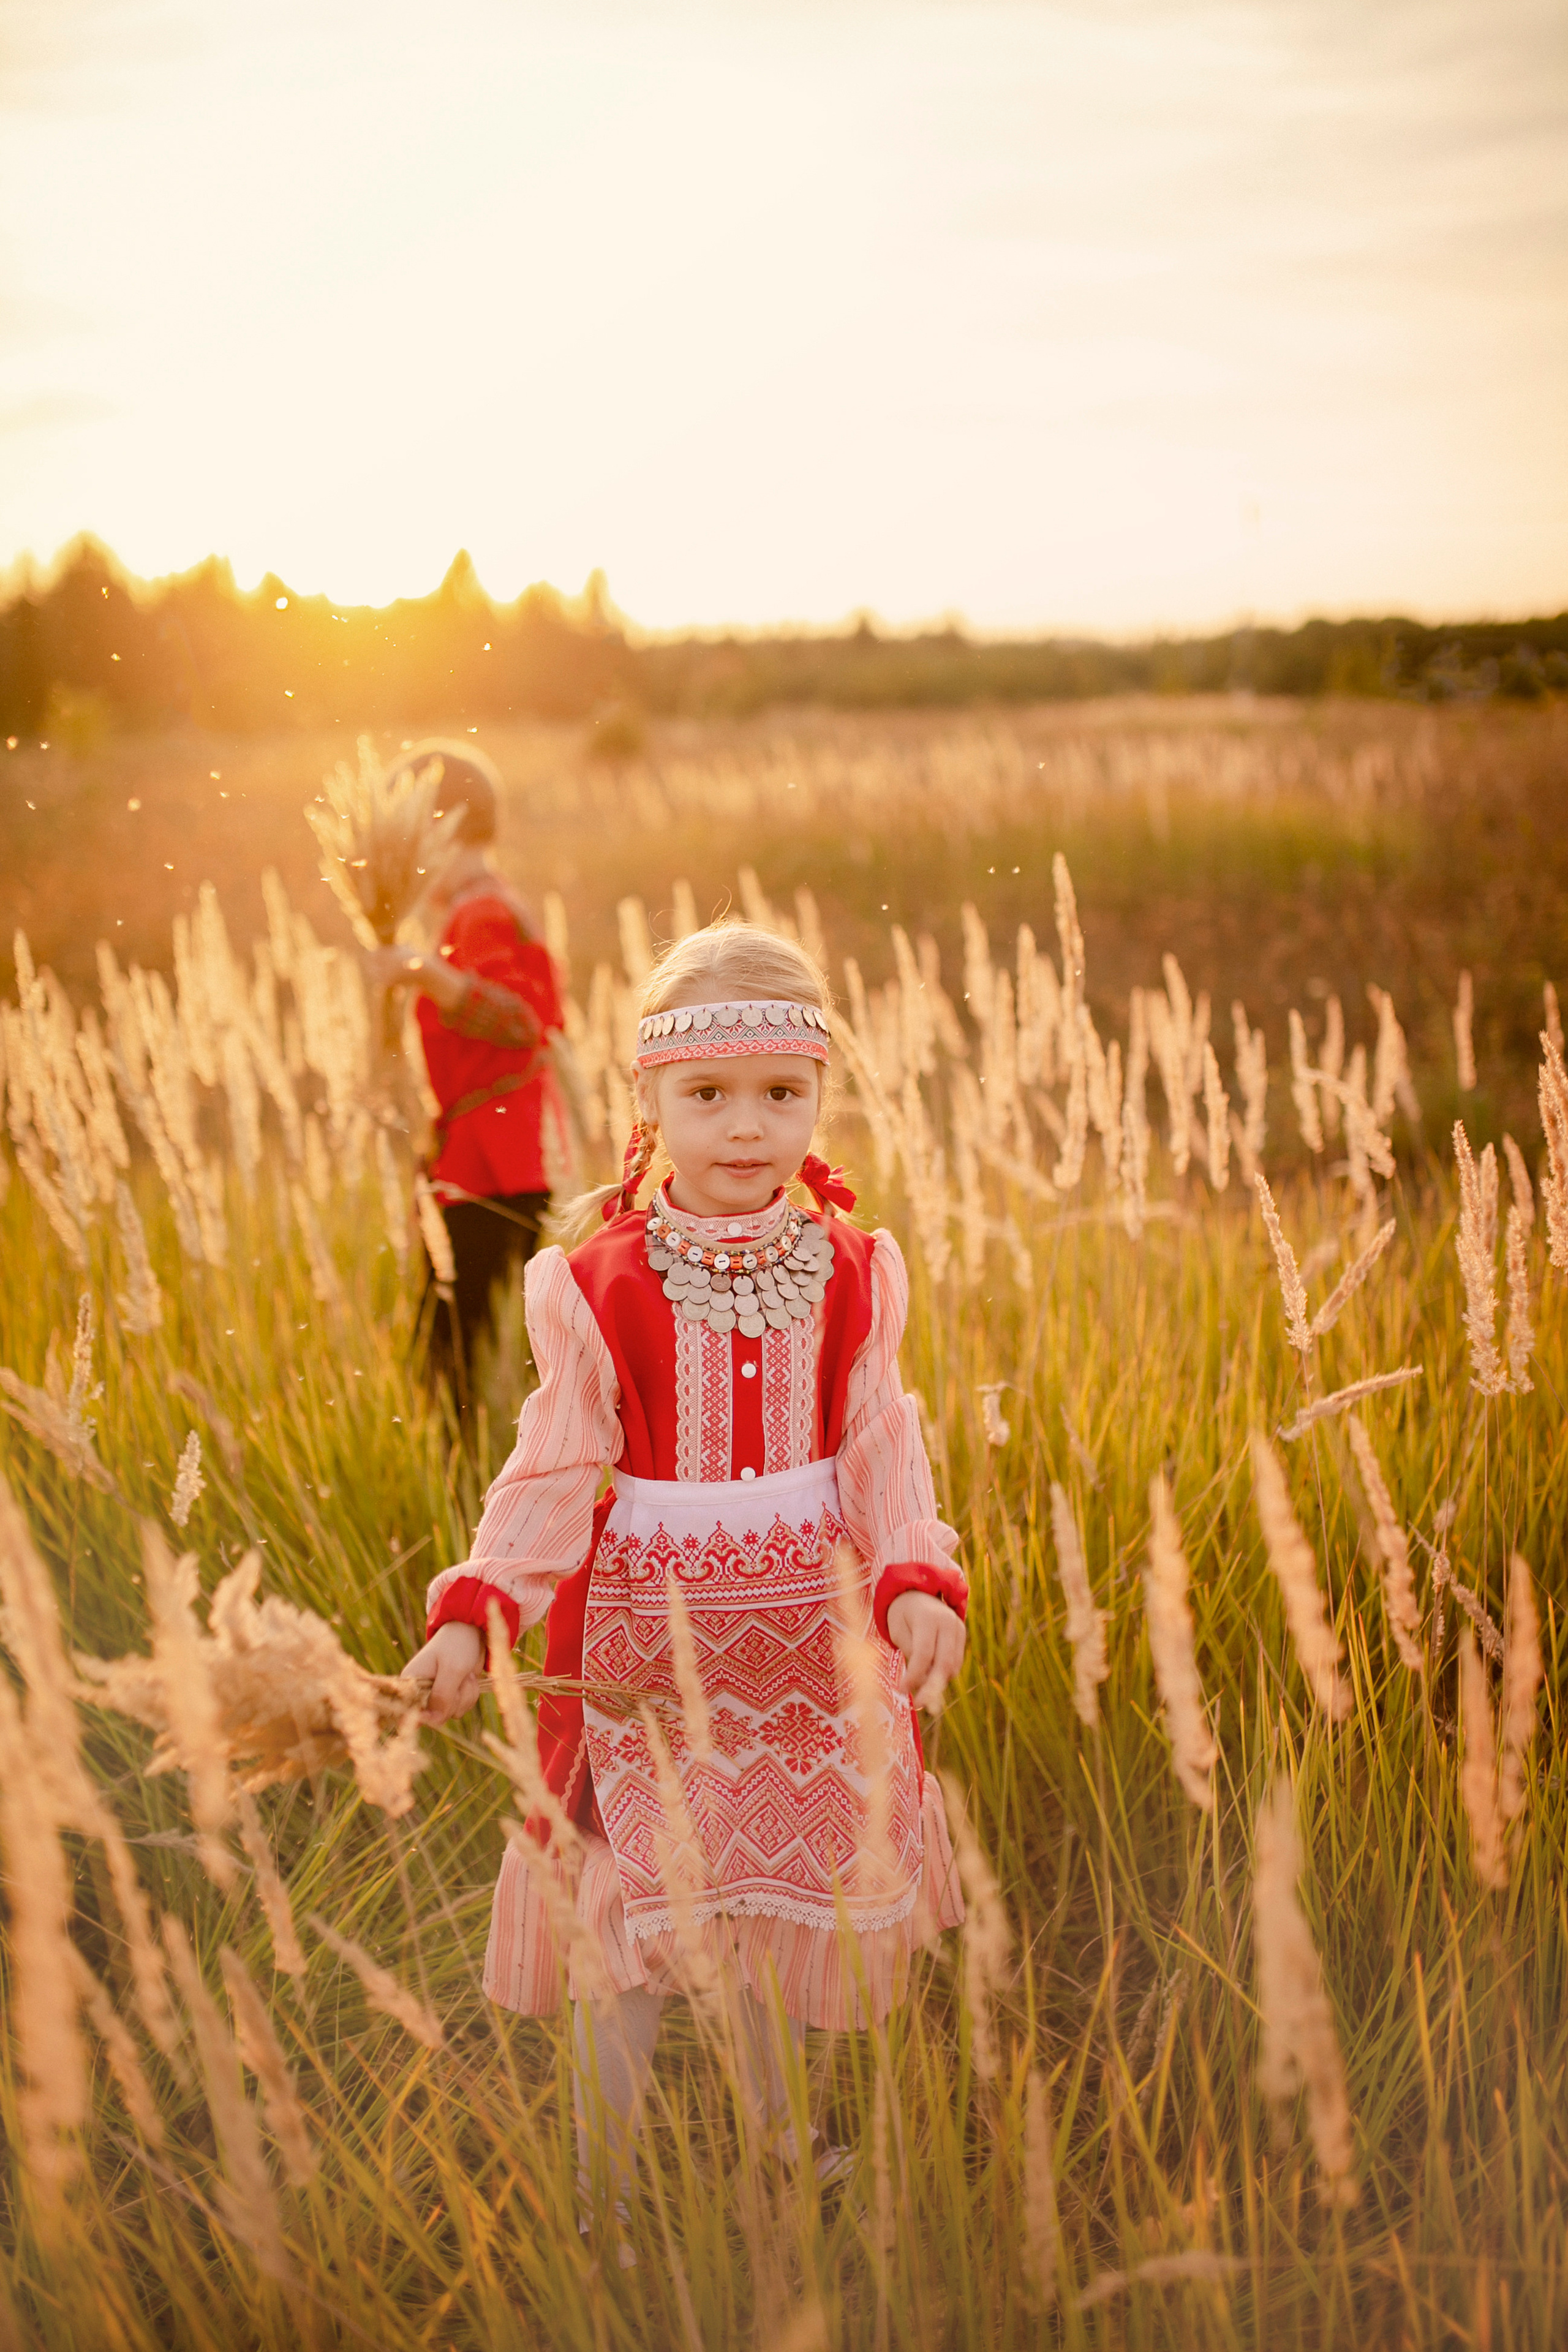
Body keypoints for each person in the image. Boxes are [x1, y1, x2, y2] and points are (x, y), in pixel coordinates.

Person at [401, 919, 968, 2251]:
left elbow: (880, 1442)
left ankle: (778, 2135)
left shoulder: (851, 1267)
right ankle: (599, 2195)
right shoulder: (596, 1281)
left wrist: (914, 1577)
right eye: (707, 1094)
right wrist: (478, 1612)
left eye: (780, 1092)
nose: (745, 1126)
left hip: (813, 1640)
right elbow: (553, 1467)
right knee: (632, 1932)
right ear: (647, 1099)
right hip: (651, 1650)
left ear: (818, 1096)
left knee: (771, 1904)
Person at [368, 741, 567, 1408]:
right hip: (502, 1158)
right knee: (477, 1335)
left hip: (490, 1165)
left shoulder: (481, 913)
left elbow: (519, 1021)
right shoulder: (486, 906)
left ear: (440, 829)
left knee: (450, 1348)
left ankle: (459, 1459)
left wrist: (425, 973)